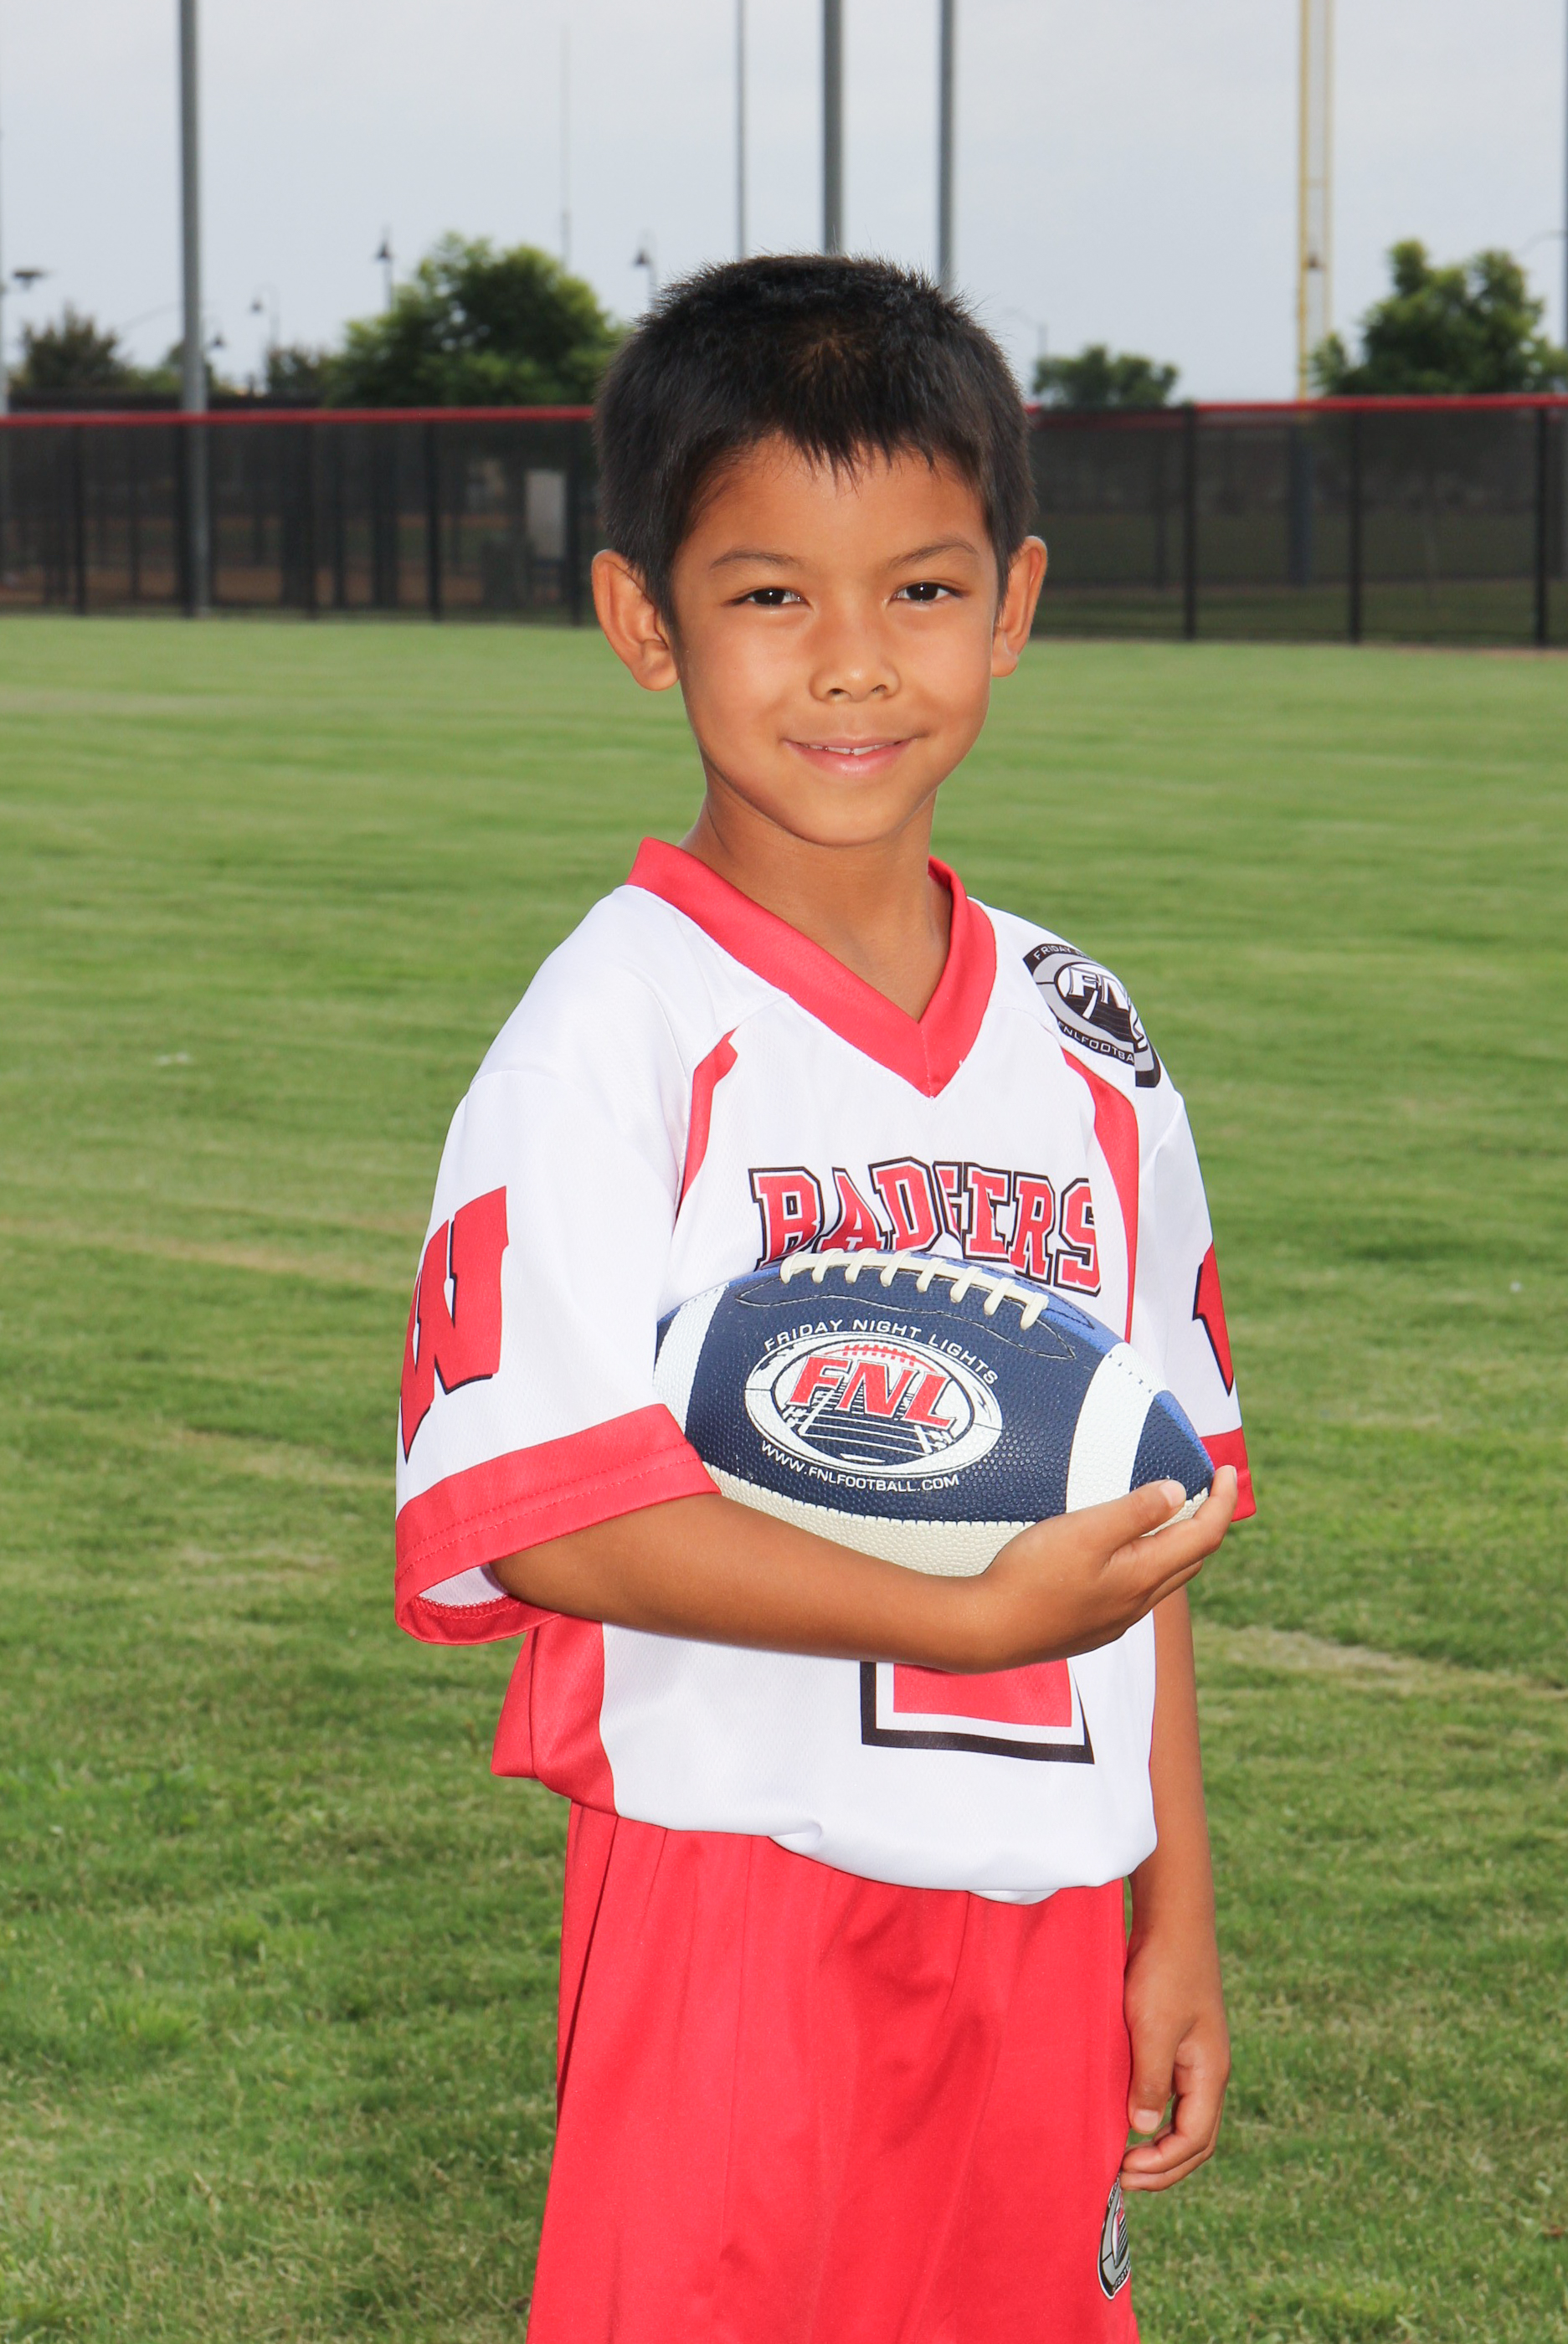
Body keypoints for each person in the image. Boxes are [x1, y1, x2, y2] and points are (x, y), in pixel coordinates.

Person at [394, 254, 1255, 2344]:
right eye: (771, 592)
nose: (855, 661)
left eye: (922, 589)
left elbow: (1143, 1511)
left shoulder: (1085, 1033)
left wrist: (1174, 1906)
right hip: (739, 1895)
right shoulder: (613, 1028)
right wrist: (959, 1617)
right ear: (643, 620)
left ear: (1013, 602)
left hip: (1046, 1905)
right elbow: (552, 1511)